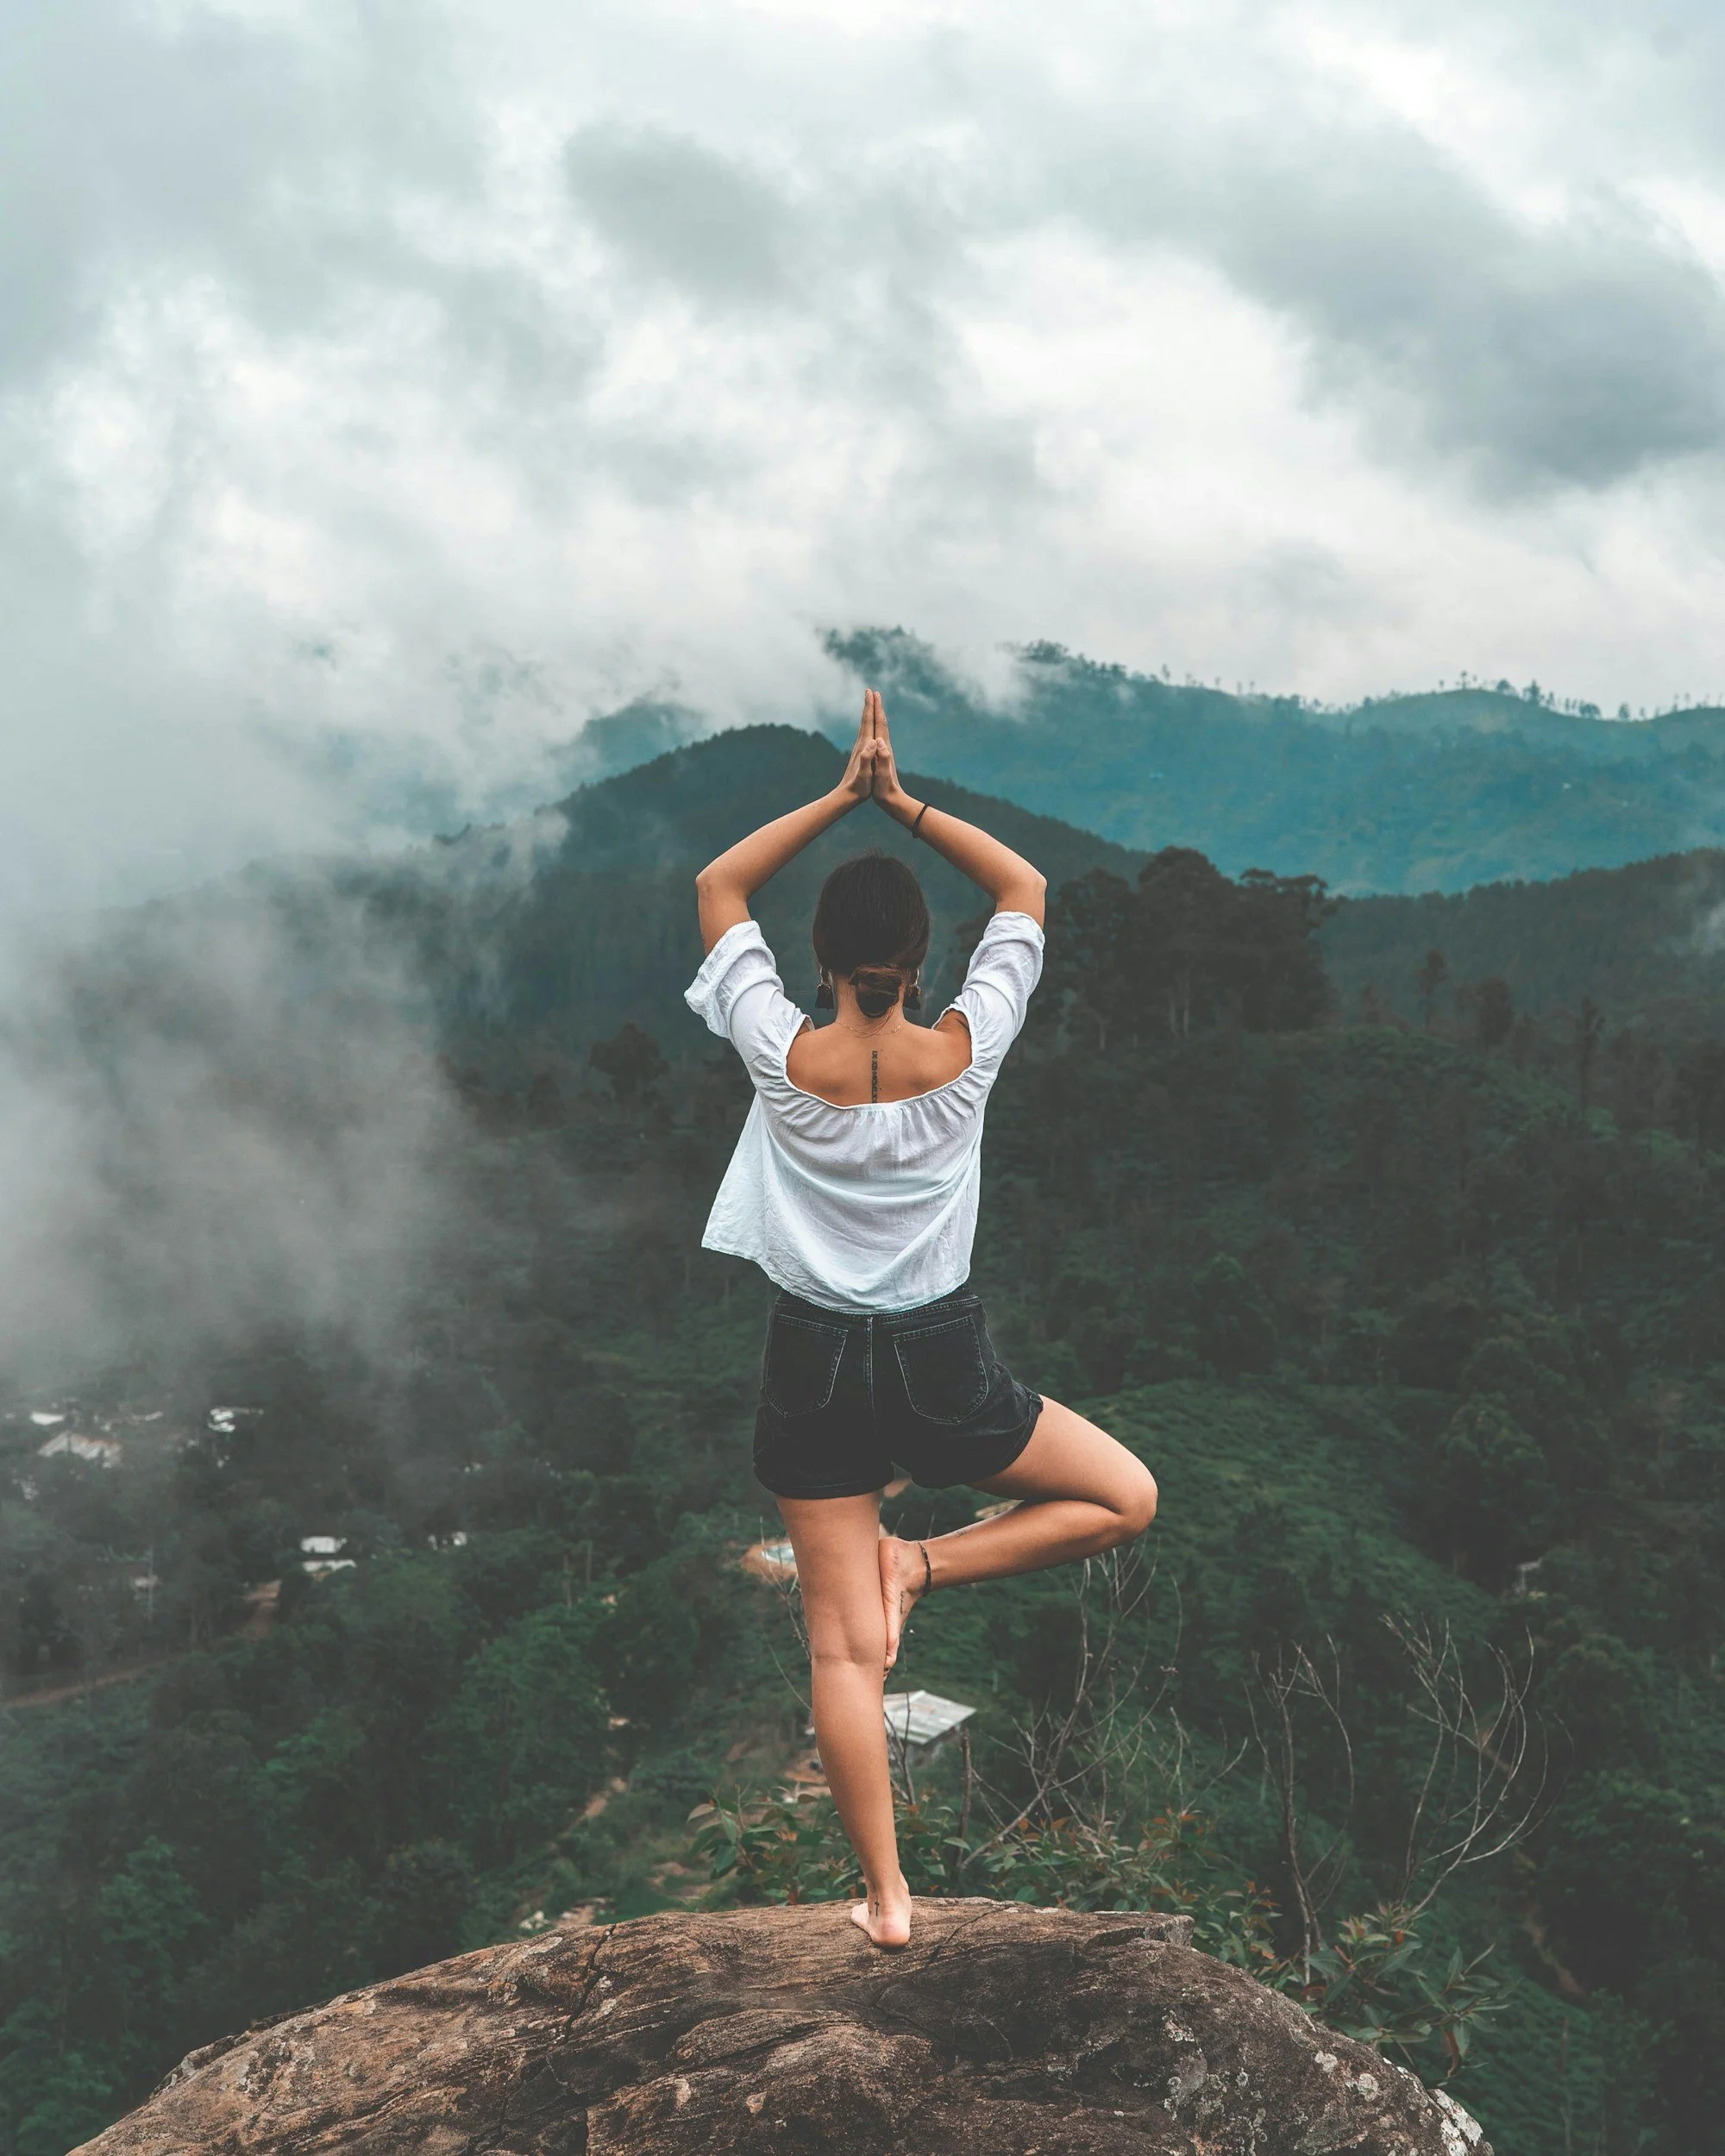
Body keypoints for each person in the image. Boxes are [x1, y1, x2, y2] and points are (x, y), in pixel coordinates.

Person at [686, 689, 1158, 1949]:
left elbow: (720, 888)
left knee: (845, 1659)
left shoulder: (779, 1053)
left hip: (813, 1368)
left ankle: (890, 1901)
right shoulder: (971, 1043)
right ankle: (932, 1563)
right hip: (944, 1363)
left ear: (825, 963)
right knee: (1125, 1499)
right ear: (920, 959)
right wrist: (907, 802)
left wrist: (840, 796)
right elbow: (1029, 890)